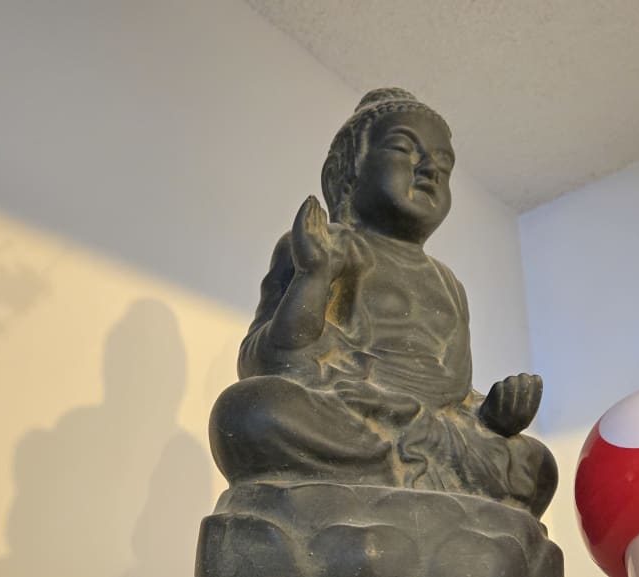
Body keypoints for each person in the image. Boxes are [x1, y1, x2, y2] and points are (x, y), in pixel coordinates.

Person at [209, 88, 557, 517]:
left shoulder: (449, 284)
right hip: (353, 408)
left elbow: (457, 392)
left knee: (538, 465)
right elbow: (267, 361)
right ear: (346, 172)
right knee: (250, 411)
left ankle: (409, 477)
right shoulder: (327, 245)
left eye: (444, 164)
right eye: (404, 149)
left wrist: (493, 417)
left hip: (442, 433)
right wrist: (312, 276)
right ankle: (411, 483)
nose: (429, 169)